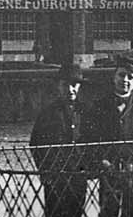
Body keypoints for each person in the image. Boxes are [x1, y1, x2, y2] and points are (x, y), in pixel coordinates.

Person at [90, 57, 133, 217]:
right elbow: (93, 136)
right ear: (114, 77)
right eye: (121, 75)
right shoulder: (100, 105)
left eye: (130, 77)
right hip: (108, 166)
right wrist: (101, 160)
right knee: (108, 207)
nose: (125, 80)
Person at [29, 62, 93, 217]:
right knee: (54, 211)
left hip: (78, 174)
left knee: (76, 210)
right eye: (65, 85)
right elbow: (35, 143)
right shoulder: (48, 113)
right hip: (55, 174)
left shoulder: (86, 112)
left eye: (74, 85)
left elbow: (92, 141)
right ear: (58, 86)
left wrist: (88, 165)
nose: (70, 89)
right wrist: (45, 170)